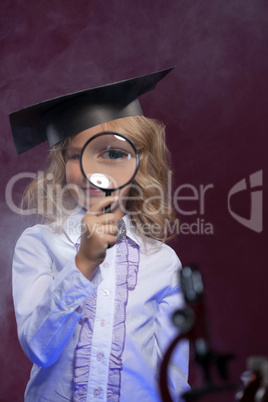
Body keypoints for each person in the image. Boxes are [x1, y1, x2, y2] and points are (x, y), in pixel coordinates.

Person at [10, 68, 190, 401]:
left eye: (113, 153)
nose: (95, 171)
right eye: (77, 156)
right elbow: (39, 348)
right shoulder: (38, 245)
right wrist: (82, 264)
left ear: (139, 164)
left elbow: (174, 377)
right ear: (62, 165)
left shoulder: (163, 262)